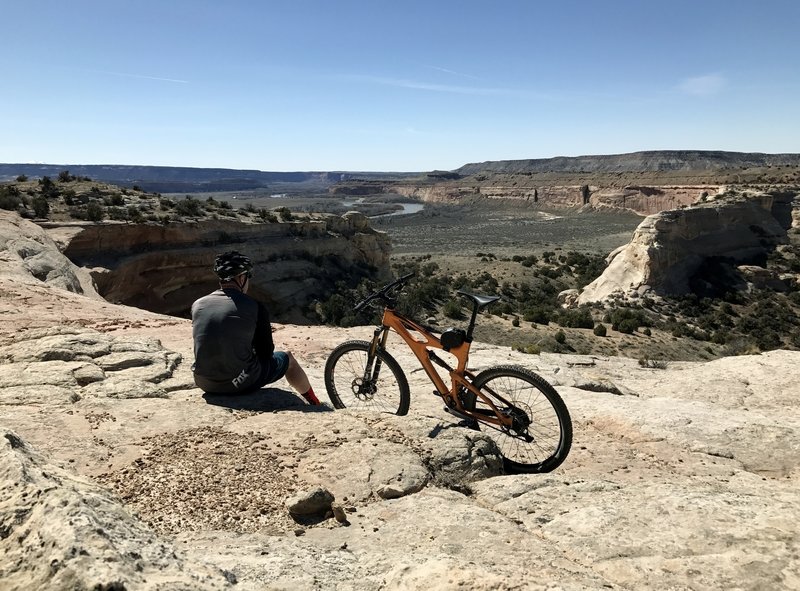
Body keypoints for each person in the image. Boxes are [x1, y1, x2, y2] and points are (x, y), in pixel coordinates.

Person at [190, 250, 320, 405]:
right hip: (238, 383)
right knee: (288, 359)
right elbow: (266, 353)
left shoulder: (198, 305)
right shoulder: (254, 306)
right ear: (241, 277)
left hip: (203, 383)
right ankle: (315, 404)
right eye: (248, 276)